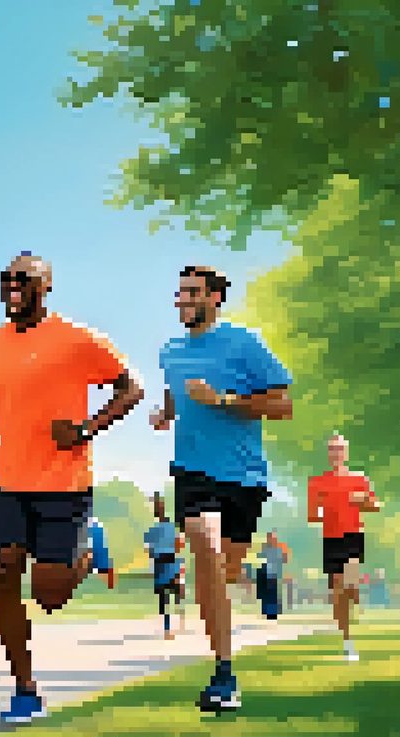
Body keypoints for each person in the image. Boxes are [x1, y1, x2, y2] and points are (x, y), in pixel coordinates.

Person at [0, 252, 140, 723]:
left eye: (25, 279)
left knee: (49, 596)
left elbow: (130, 389)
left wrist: (86, 429)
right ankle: (24, 688)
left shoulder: (77, 340)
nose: (13, 286)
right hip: (8, 482)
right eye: (7, 279)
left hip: (64, 482)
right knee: (1, 572)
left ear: (46, 287)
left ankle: (89, 553)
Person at [152, 264, 293, 712]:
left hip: (244, 477)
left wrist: (224, 401)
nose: (183, 300)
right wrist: (166, 413)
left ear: (214, 298)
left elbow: (283, 405)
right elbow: (177, 395)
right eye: (180, 293)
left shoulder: (244, 343)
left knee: (223, 575)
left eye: (192, 293)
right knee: (207, 551)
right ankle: (224, 672)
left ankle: (227, 615)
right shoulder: (170, 351)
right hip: (193, 472)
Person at [307, 433, 380, 662]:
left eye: (340, 449)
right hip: (331, 538)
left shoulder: (360, 479)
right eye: (332, 449)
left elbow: (375, 505)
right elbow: (312, 515)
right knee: (337, 589)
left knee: (350, 585)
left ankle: (356, 595)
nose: (336, 453)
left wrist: (363, 502)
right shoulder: (317, 482)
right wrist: (324, 513)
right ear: (328, 454)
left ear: (346, 453)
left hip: (353, 535)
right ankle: (347, 640)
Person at [144, 494, 186, 638]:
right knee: (175, 593)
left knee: (165, 597)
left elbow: (148, 550)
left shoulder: (152, 530)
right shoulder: (169, 528)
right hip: (168, 560)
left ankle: (169, 626)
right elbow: (179, 545)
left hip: (160, 562)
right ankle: (178, 622)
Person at [258, 532, 288, 620]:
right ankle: (268, 612)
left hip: (274, 574)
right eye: (270, 538)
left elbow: (284, 559)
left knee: (272, 595)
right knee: (268, 595)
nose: (271, 540)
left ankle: (272, 613)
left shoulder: (278, 549)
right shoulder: (265, 549)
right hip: (266, 573)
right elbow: (261, 560)